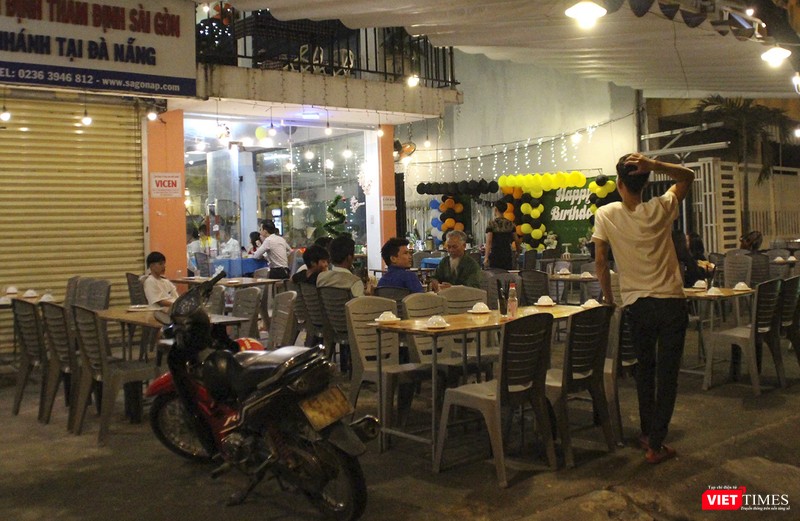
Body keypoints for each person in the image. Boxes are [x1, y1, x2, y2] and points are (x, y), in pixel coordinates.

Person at [593, 152, 693, 465]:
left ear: (619, 184)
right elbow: (687, 176)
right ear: (646, 183)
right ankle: (656, 442)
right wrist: (656, 165)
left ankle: (649, 434)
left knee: (645, 371)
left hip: (637, 305)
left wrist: (609, 297)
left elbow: (600, 261)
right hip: (671, 303)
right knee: (668, 375)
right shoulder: (661, 206)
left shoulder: (606, 213)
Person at [484, 200, 519, 270]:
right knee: (507, 274)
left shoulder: (492, 224)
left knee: (495, 274)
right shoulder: (510, 224)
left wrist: (486, 257)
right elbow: (516, 240)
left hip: (495, 254)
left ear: (496, 209)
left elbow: (489, 241)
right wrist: (518, 251)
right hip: (507, 254)